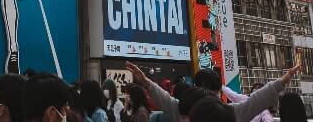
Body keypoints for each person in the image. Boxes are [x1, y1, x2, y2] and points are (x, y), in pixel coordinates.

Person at [125, 62, 301, 122]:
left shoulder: (228, 112)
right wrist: (146, 82)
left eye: (216, 92)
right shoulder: (183, 109)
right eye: (213, 91)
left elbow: (256, 101)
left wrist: (282, 81)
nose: (215, 96)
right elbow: (164, 98)